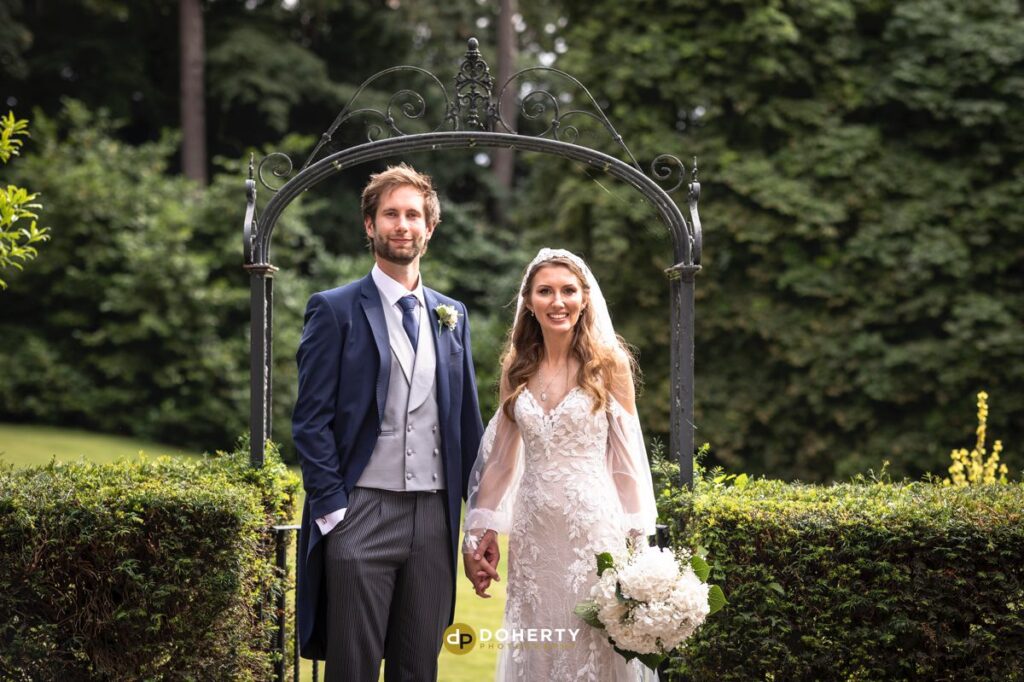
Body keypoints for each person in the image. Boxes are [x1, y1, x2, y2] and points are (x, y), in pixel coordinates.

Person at [291, 163, 485, 681]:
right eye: (391, 214)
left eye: (413, 215)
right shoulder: (333, 310)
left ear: (429, 228)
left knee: (418, 667)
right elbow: (310, 423)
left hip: (433, 519)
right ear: (370, 226)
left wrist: (479, 519)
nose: (403, 224)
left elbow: (467, 425)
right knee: (352, 667)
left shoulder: (453, 315)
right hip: (361, 511)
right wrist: (334, 511)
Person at [463, 247, 659, 681]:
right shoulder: (517, 367)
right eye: (545, 291)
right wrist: (479, 532)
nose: (558, 301)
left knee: (593, 640)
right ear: (529, 303)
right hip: (533, 536)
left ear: (585, 298)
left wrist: (638, 542)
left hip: (593, 531)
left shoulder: (609, 365)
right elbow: (499, 461)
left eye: (568, 291)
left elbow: (627, 464)